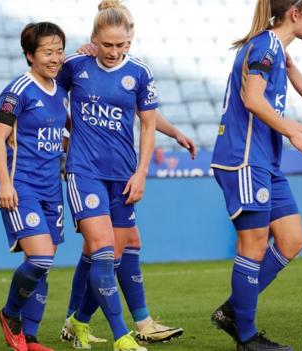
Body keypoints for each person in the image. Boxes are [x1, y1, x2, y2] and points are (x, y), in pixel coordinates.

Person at [59, 0, 185, 347]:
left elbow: (146, 125)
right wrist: (68, 132)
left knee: (114, 252)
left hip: (123, 174)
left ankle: (78, 321)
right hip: (84, 171)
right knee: (102, 250)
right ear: (93, 39)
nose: (114, 52)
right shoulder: (75, 65)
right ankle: (123, 335)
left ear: (129, 41)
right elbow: (50, 97)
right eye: (107, 45)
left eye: (121, 45)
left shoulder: (140, 73)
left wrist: (141, 172)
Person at [209, 0, 302, 350]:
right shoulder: (264, 45)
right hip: (244, 158)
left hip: (265, 161)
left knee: (291, 240)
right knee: (253, 246)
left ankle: (233, 309)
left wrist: (299, 128)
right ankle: (247, 337)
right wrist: (294, 130)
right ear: (295, 13)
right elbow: (253, 100)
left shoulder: (276, 49)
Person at [0, 22, 68, 351]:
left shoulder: (60, 89)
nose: (55, 58)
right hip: (22, 186)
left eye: (59, 51)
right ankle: (10, 315)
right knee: (40, 260)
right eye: (47, 52)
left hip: (53, 188)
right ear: (30, 55)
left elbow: (65, 129)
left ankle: (30, 337)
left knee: (44, 266)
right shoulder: (17, 91)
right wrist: (5, 183)